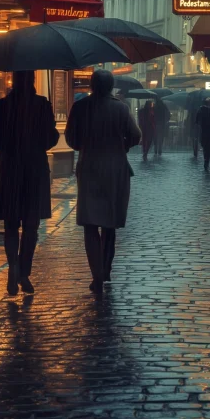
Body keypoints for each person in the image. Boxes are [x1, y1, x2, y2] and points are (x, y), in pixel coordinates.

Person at [65, 70, 141, 295]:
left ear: (92, 85)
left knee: (90, 223)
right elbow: (136, 135)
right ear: (111, 87)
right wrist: (123, 144)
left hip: (89, 169)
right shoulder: (121, 108)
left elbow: (70, 139)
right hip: (115, 171)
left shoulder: (80, 108)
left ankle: (96, 274)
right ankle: (106, 268)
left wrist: (84, 145)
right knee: (109, 222)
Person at [0, 71, 59, 296]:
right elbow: (52, 138)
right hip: (35, 169)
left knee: (10, 224)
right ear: (33, 82)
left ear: (14, 82)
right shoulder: (42, 105)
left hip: (9, 169)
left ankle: (13, 267)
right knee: (31, 225)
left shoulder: (0, 107)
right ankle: (24, 272)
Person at [195, 98, 210, 170]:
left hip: (203, 131)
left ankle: (206, 159)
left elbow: (196, 121)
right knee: (209, 146)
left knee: (205, 145)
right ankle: (206, 160)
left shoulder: (200, 110)